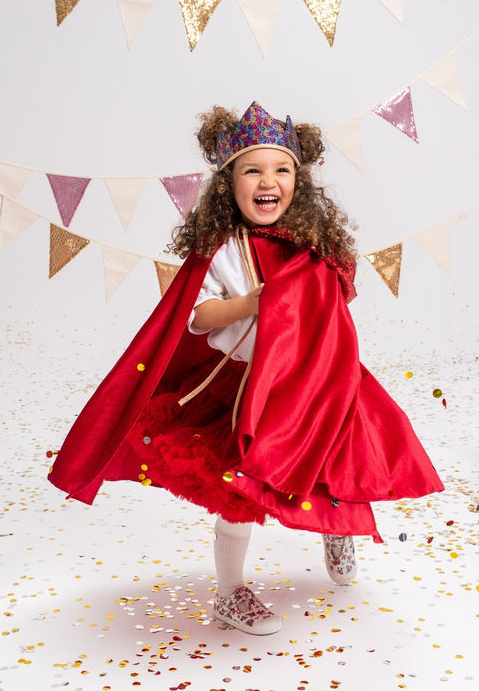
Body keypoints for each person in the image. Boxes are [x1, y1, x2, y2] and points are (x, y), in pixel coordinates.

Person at [48, 101, 444, 636]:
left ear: (297, 184)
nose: (268, 180)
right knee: (238, 487)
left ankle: (336, 529)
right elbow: (199, 316)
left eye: (281, 170)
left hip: (317, 383)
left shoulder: (311, 246)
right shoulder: (224, 249)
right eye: (252, 170)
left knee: (339, 466)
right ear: (228, 183)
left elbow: (332, 304)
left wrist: (327, 277)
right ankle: (231, 592)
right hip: (244, 391)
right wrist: (255, 301)